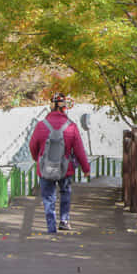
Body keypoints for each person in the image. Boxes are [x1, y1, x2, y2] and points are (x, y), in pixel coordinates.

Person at [29, 93, 90, 233]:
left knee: (48, 197)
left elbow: (33, 145)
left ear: (51, 107)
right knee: (65, 193)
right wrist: (85, 168)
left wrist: (37, 159)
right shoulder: (71, 126)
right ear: (64, 108)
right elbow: (79, 150)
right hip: (65, 168)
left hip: (45, 168)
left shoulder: (41, 125)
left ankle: (51, 227)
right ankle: (64, 220)